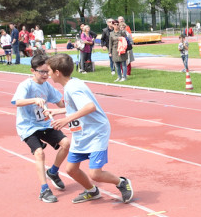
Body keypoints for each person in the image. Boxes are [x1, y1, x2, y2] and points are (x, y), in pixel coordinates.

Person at [46, 54, 134, 204]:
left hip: (96, 132)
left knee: (95, 173)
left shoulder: (73, 88)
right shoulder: (71, 84)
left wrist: (66, 119)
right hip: (82, 133)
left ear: (57, 73)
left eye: (48, 71)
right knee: (71, 170)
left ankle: (121, 182)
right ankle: (92, 191)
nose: (47, 74)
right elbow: (76, 107)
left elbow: (90, 107)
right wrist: (59, 111)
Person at [11, 54, 70, 203]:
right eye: (42, 72)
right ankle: (44, 189)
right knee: (39, 153)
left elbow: (60, 103)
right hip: (28, 127)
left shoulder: (47, 86)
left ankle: (53, 172)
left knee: (66, 144)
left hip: (44, 124)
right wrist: (34, 100)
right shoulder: (26, 85)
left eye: (47, 71)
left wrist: (74, 106)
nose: (45, 75)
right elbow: (17, 102)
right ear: (33, 70)